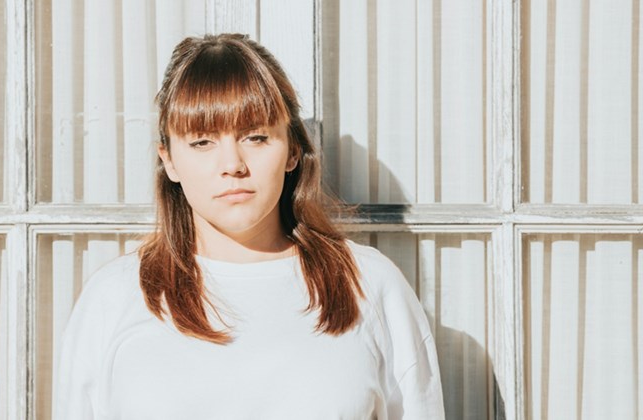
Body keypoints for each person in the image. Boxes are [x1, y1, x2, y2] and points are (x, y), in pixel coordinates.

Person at [55, 33, 444, 419]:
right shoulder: (115, 296)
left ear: (292, 150)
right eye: (202, 142)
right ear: (169, 160)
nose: (233, 165)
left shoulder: (368, 284)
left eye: (256, 137)